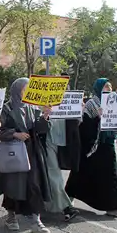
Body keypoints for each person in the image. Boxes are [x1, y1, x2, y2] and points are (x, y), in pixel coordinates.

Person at [0, 77, 53, 233]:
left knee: (34, 185)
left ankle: (36, 221)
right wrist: (14, 134)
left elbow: (40, 129)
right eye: (24, 89)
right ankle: (11, 216)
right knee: (13, 185)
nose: (27, 92)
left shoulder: (32, 107)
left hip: (31, 151)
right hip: (13, 152)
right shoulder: (6, 108)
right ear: (17, 90)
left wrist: (45, 116)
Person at [65, 78, 117, 218]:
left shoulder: (113, 104)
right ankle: (67, 199)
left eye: (110, 88)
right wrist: (97, 118)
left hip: (107, 145)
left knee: (111, 176)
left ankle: (114, 208)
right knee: (81, 174)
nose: (109, 90)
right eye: (106, 87)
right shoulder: (91, 104)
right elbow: (83, 128)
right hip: (91, 148)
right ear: (99, 88)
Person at [41, 90, 80, 223]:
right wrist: (45, 114)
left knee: (53, 176)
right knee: (54, 176)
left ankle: (48, 205)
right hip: (47, 143)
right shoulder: (40, 105)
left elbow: (75, 124)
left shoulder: (64, 104)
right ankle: (66, 208)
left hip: (61, 143)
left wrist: (78, 112)